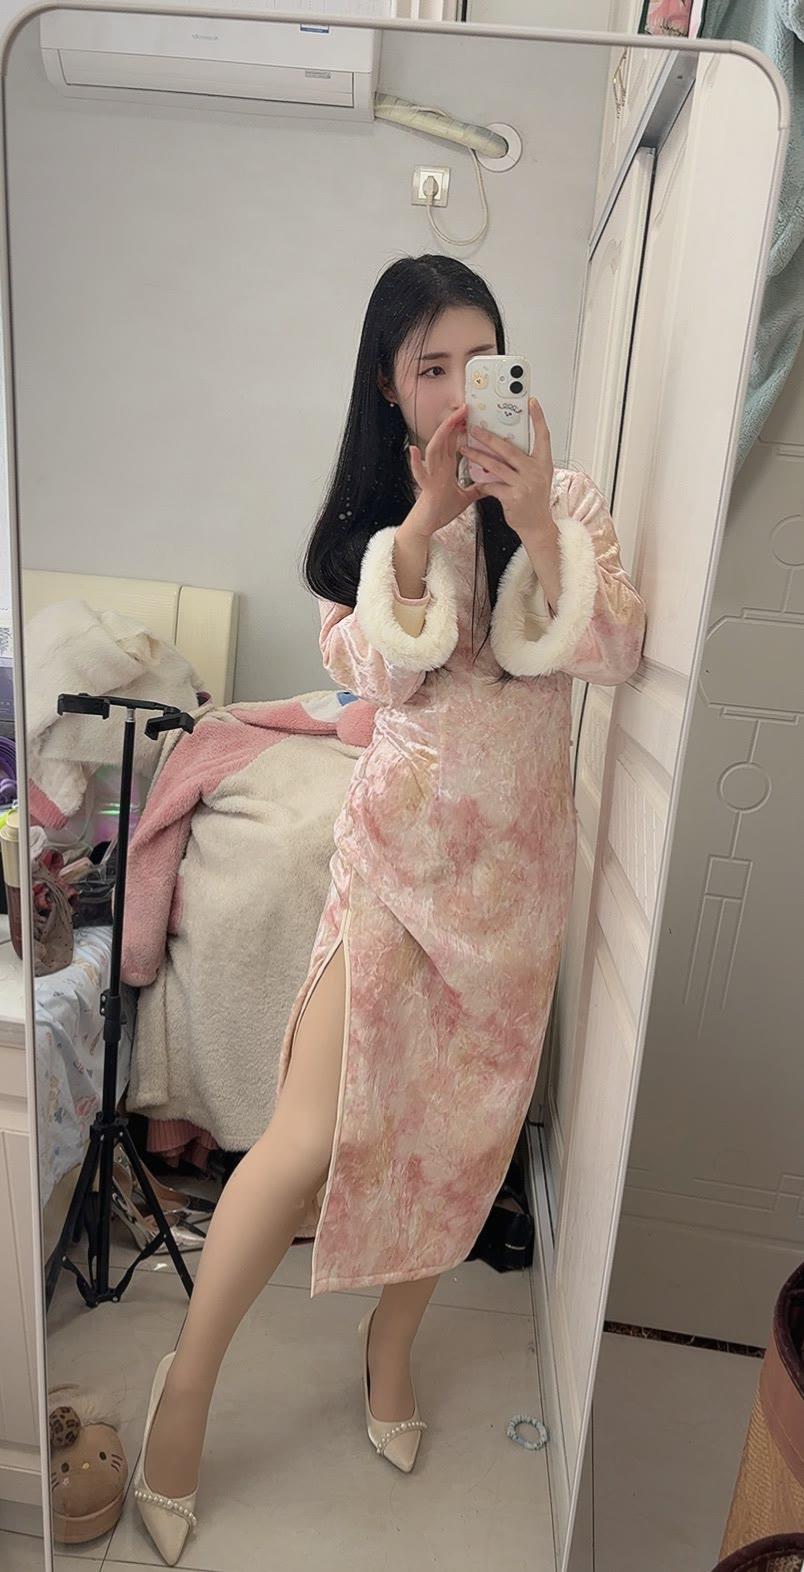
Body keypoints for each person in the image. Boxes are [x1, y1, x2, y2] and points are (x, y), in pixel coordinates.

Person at [133, 253, 646, 1564]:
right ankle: (186, 1389)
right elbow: (379, 677)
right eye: (433, 367)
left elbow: (616, 646)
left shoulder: (567, 500)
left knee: (462, 1142)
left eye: (485, 359)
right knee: (305, 1140)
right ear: (389, 386)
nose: (463, 388)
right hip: (396, 871)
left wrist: (535, 528)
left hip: (516, 890)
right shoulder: (362, 531)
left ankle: (391, 1346)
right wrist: (423, 531)